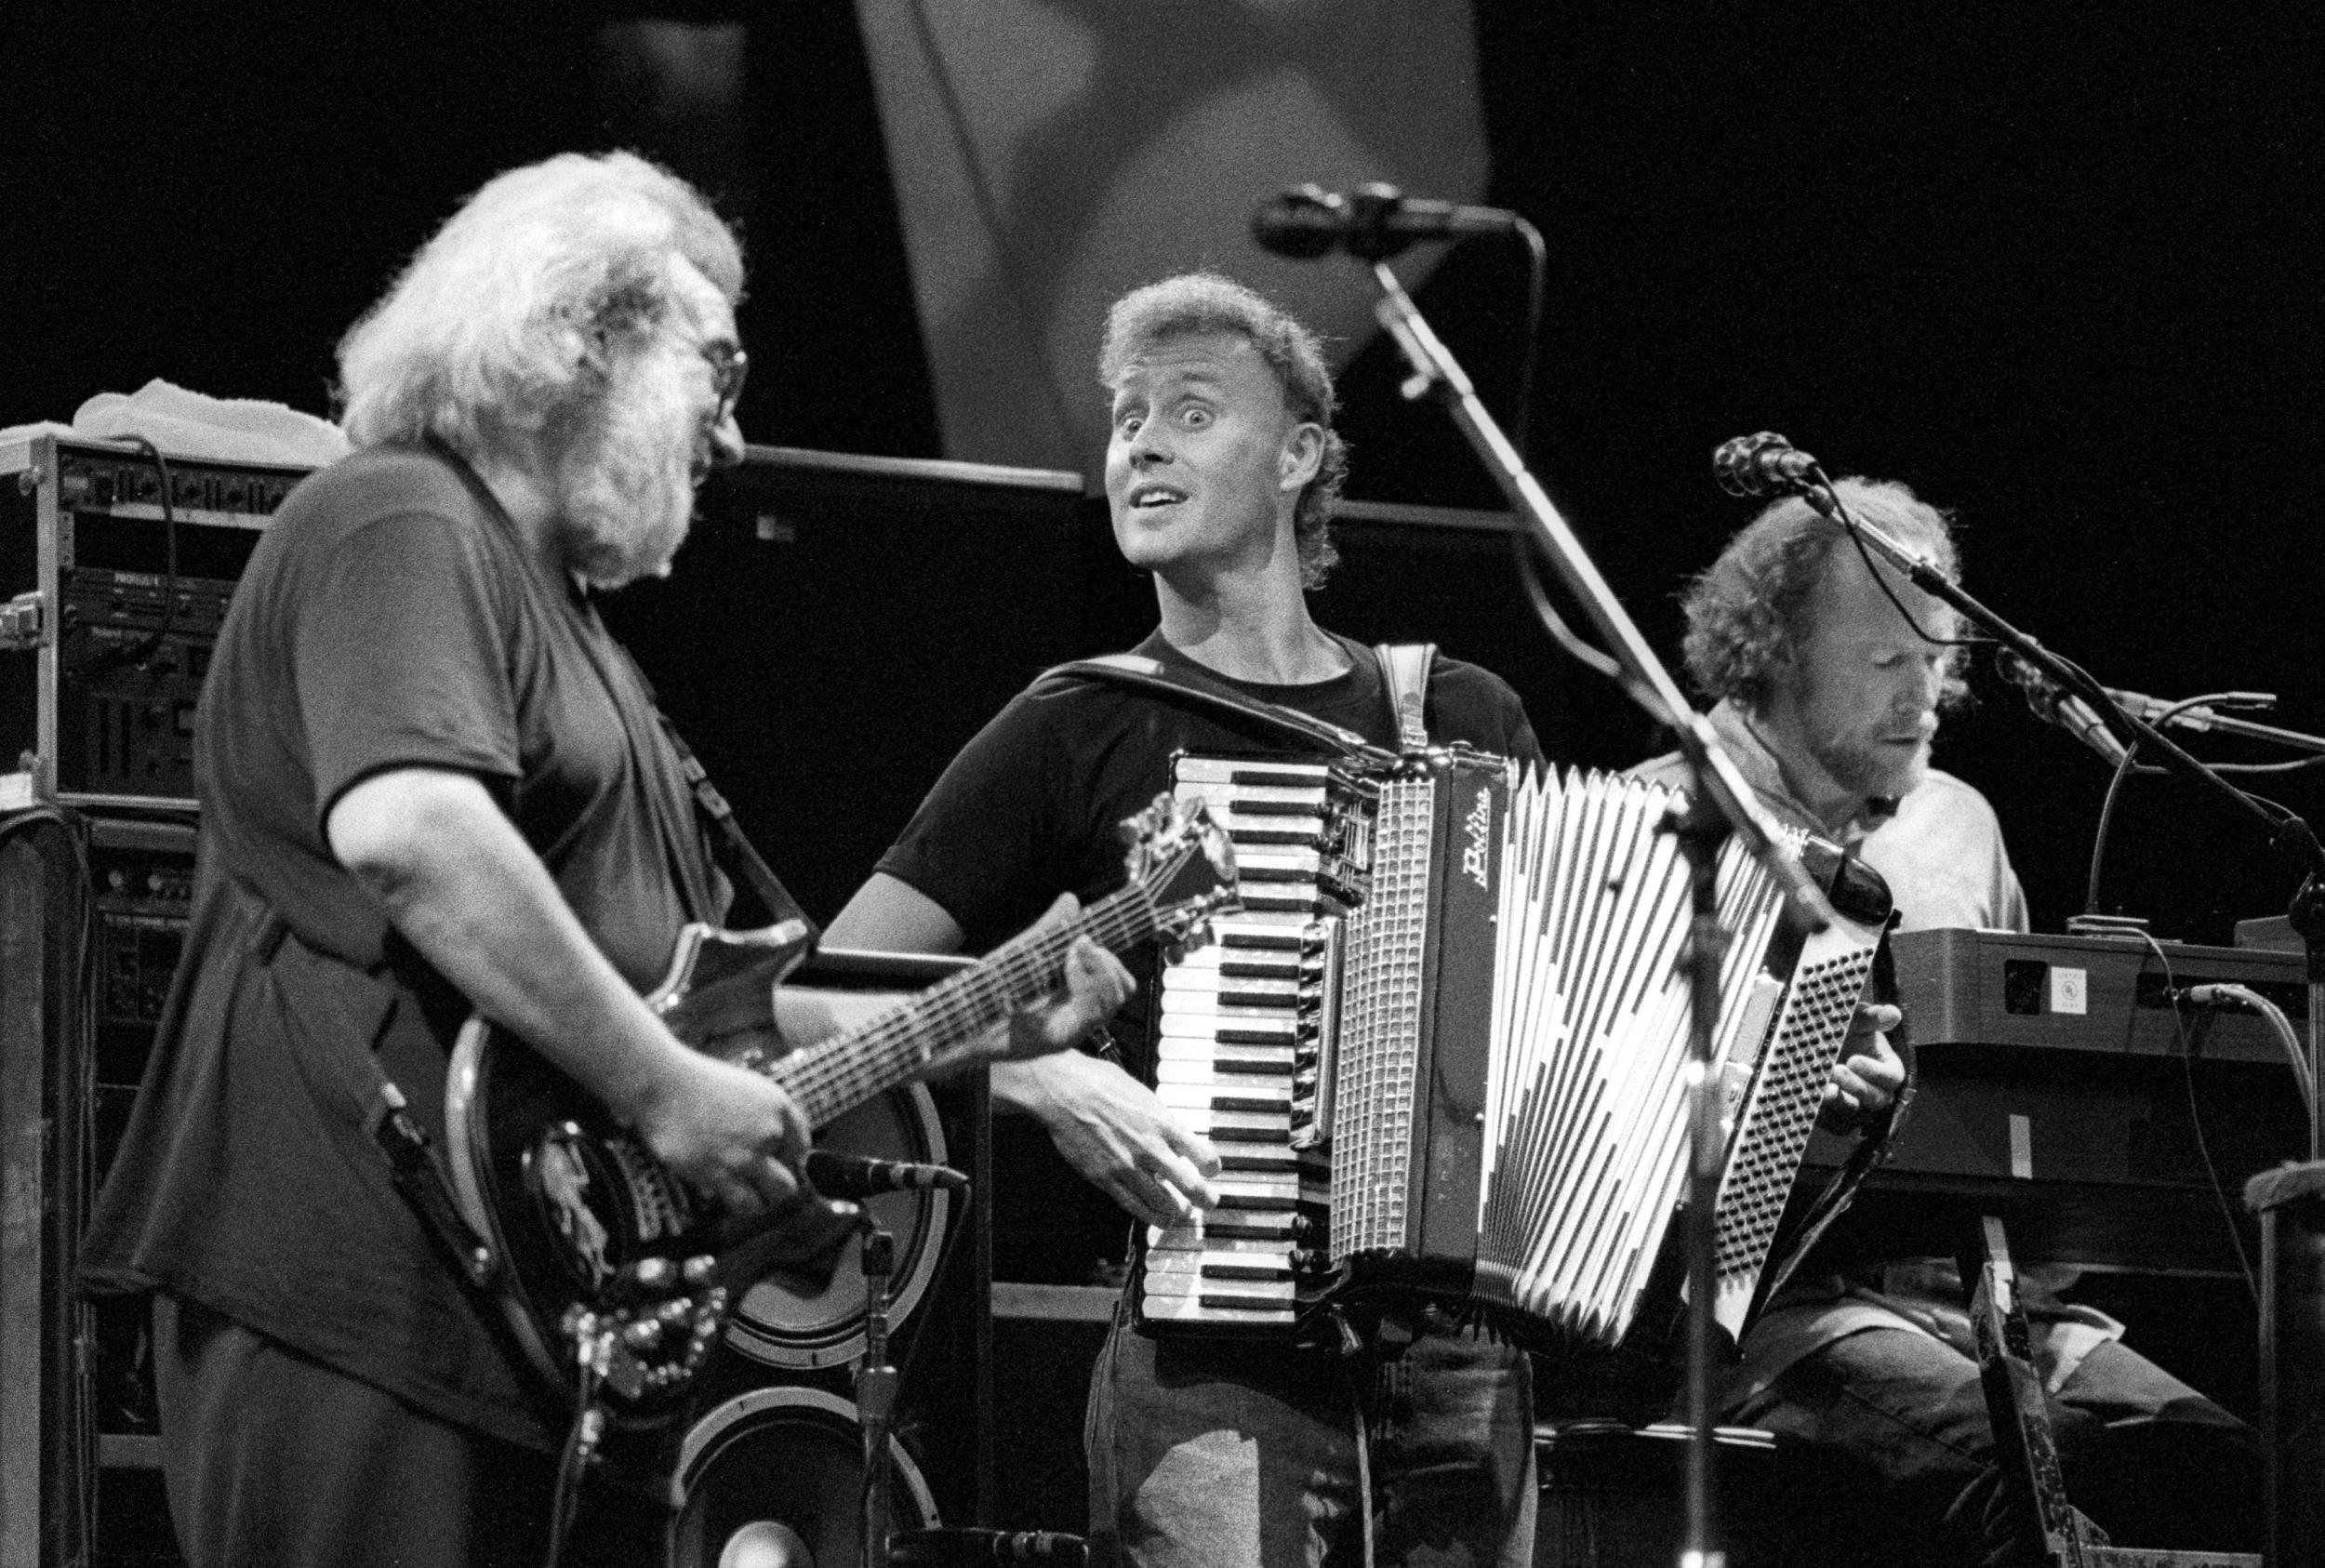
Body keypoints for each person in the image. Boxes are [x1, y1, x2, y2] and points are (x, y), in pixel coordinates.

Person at [76, 151, 1129, 1568]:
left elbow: (690, 1003)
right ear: (580, 337)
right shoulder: (398, 515)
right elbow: (410, 830)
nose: (736, 436)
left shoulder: (572, 635)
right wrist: (664, 1090)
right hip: (357, 1296)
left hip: (513, 1334)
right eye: (719, 367)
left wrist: (977, 1028)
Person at [824, 272, 1544, 1567]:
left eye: (1191, 412)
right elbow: (820, 992)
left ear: (1301, 455)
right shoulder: (1078, 719)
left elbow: (1561, 1016)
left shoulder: (1466, 718)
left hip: (1465, 1368)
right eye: (1124, 417)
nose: (1140, 442)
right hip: (1211, 1356)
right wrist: (1044, 1076)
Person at [1635, 479, 2261, 1565]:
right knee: (2027, 1472)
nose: (1922, 696)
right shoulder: (1655, 824)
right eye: (1886, 664)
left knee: (2240, 1468)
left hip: (1985, 1294)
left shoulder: (1954, 822)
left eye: (1936, 661)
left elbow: (2014, 1086)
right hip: (1772, 1316)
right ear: (1775, 651)